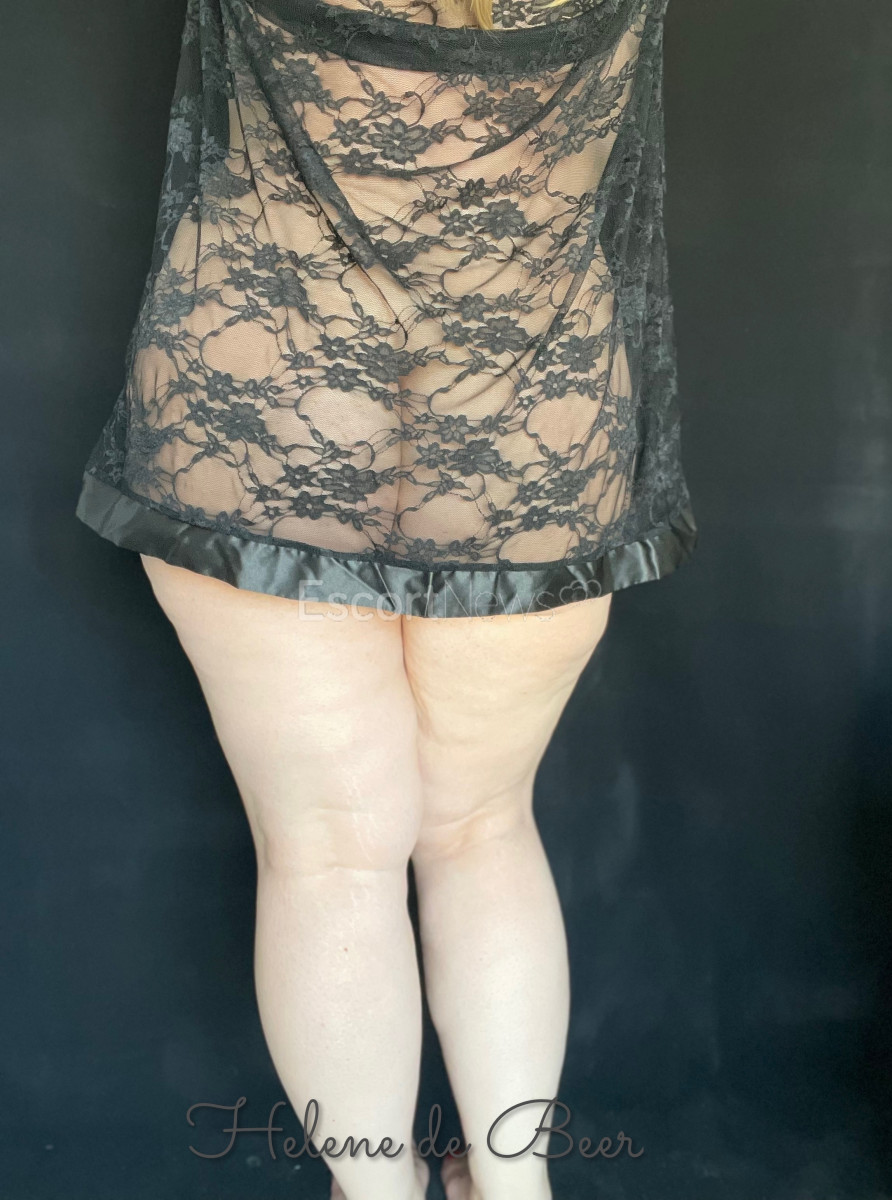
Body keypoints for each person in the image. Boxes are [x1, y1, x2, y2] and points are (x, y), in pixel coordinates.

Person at [74, 0, 698, 1194]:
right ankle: (512, 1188)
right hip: (528, 396)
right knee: (483, 827)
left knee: (328, 853)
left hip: (263, 368)